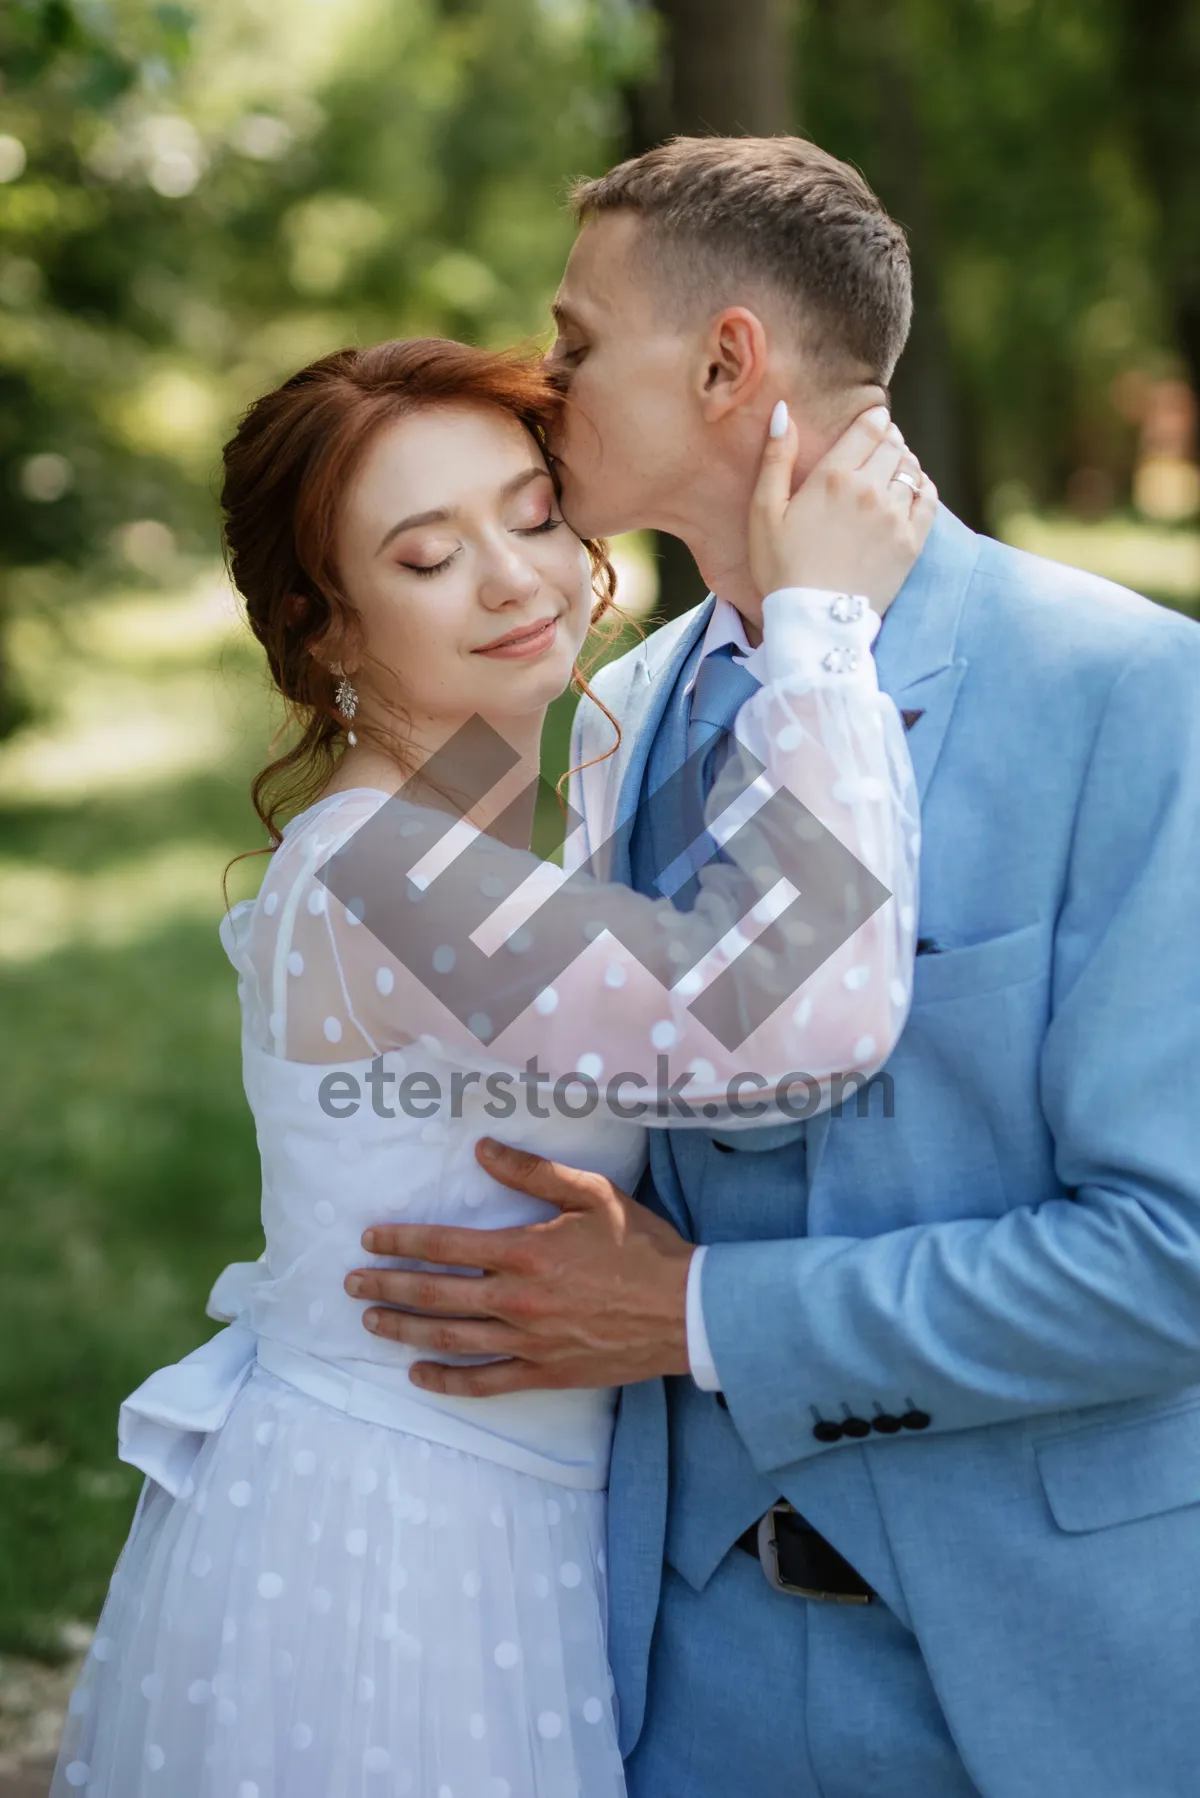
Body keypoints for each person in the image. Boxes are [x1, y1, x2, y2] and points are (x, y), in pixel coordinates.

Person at [350, 138, 1200, 1798]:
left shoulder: (1133, 699)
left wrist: (699, 1312)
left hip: (1038, 1695)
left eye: (578, 342)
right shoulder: (610, 712)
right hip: (672, 1684)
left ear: (729, 360)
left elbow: (1173, 1256)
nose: (546, 384)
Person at [51, 334, 929, 1798]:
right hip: (399, 1549)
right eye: (426, 556)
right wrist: (821, 635)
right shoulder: (384, 875)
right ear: (323, 628)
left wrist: (743, 562)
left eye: (532, 513)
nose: (519, 579)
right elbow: (772, 1024)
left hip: (481, 1504)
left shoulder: (449, 786)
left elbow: (583, 751)